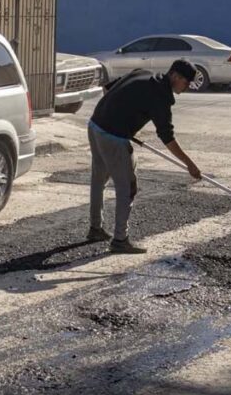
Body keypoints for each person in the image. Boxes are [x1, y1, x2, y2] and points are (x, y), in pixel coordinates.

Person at [87, 59, 202, 254]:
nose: (187, 87)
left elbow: (108, 89)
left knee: (99, 179)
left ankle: (95, 229)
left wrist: (122, 117)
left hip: (95, 125)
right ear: (175, 76)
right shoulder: (161, 97)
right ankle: (120, 240)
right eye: (186, 82)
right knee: (127, 187)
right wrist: (190, 164)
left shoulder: (142, 73)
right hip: (113, 137)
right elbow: (167, 137)